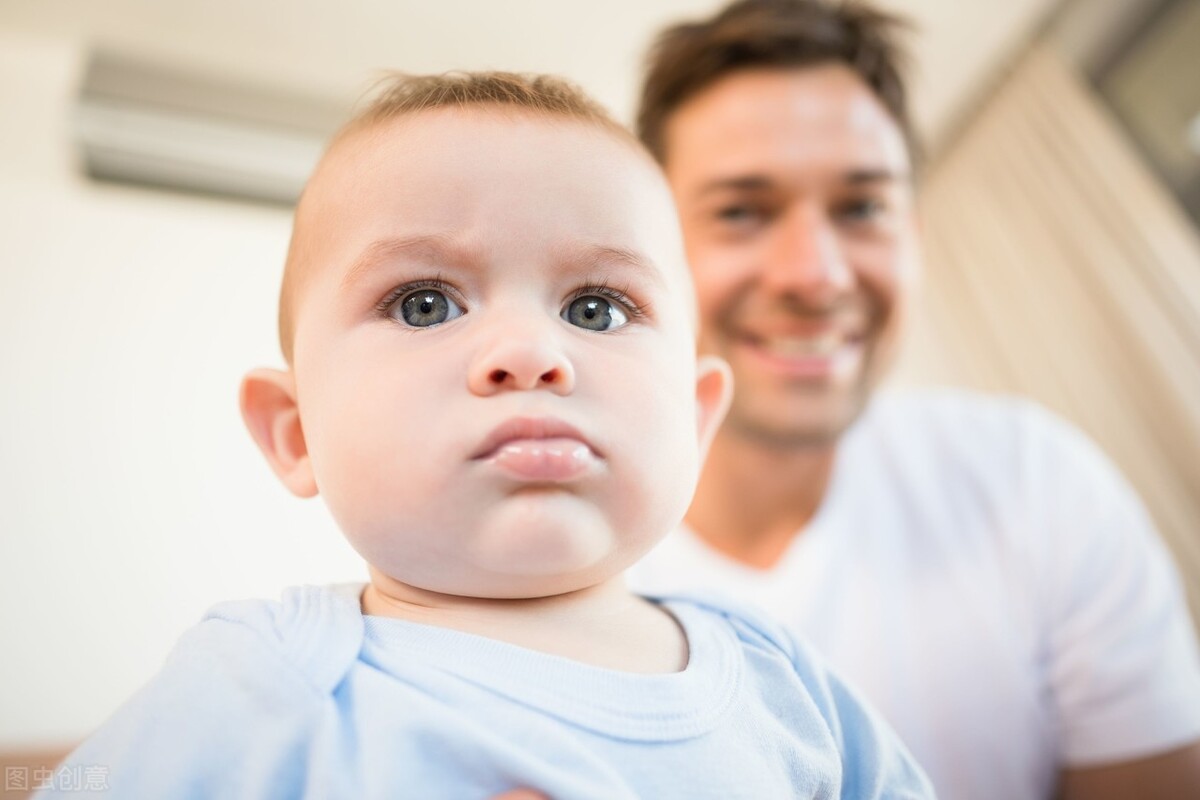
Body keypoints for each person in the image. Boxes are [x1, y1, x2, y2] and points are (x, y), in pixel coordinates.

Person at [38, 72, 933, 799]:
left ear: (697, 421)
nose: (530, 353)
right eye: (425, 305)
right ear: (295, 433)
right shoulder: (259, 681)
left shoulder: (780, 677)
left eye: (597, 306)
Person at [625, 2, 1200, 799]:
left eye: (862, 207)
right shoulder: (520, 576)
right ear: (641, 248)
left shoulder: (1037, 483)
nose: (815, 273)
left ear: (914, 236)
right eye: (741, 212)